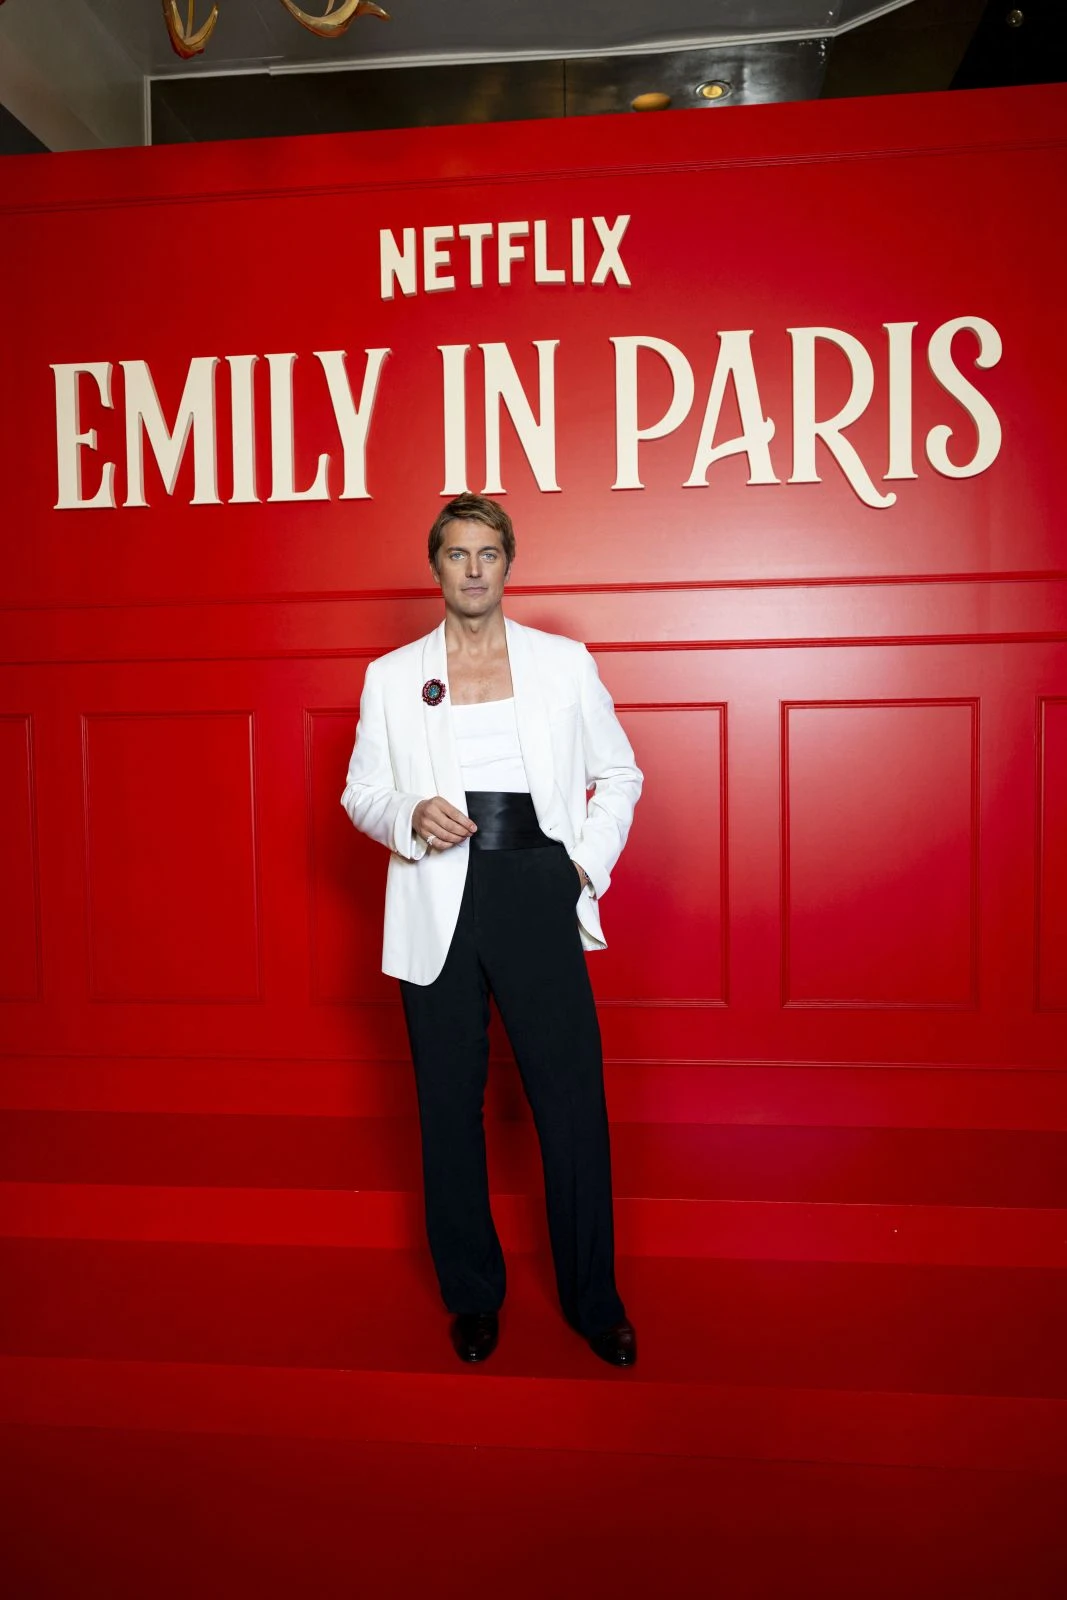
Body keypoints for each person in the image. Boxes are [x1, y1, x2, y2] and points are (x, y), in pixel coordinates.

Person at [341, 493, 643, 1367]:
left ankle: (593, 1301)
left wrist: (579, 867)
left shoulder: (562, 663)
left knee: (570, 1103)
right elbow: (360, 792)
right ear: (434, 567)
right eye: (456, 554)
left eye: (488, 554)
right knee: (447, 1105)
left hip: (535, 884)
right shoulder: (392, 676)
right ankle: (473, 1294)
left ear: (508, 564)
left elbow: (619, 773)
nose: (472, 570)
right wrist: (407, 814)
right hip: (435, 893)